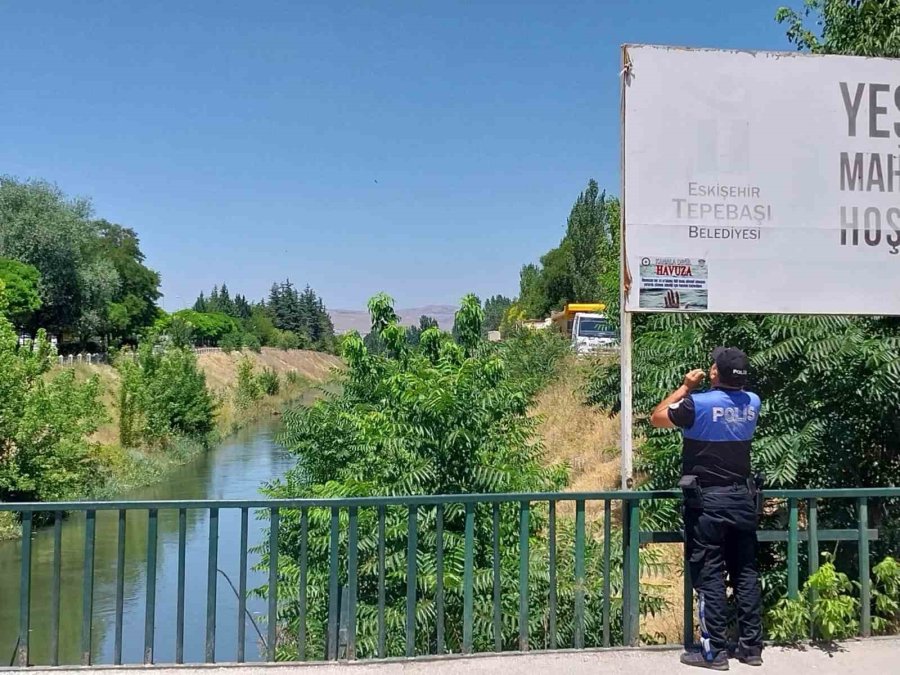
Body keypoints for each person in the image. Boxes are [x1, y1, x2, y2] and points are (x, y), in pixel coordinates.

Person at [650, 347, 763, 671]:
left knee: (710, 574)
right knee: (745, 572)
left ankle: (713, 652)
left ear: (714, 373)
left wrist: (686, 386)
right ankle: (751, 648)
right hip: (743, 498)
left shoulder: (695, 404)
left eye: (714, 365)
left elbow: (657, 417)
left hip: (707, 503)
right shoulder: (753, 403)